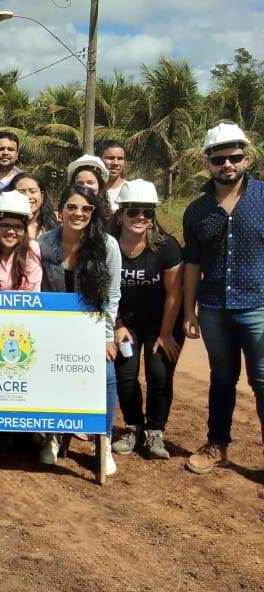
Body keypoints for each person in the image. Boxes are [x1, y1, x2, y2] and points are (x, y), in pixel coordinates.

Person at [181, 122, 264, 474]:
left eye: (234, 157)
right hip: (213, 307)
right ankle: (217, 445)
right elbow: (192, 264)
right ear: (207, 163)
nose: (227, 164)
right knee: (221, 379)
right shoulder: (196, 211)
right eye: (219, 159)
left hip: (258, 306)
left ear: (246, 158)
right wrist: (189, 310)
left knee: (262, 382)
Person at [37, 184, 121, 474]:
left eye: (86, 208)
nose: (78, 213)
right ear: (60, 211)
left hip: (91, 327)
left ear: (94, 213)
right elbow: (38, 288)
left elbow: (112, 295)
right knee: (50, 371)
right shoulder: (44, 243)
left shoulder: (107, 245)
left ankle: (104, 441)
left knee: (107, 375)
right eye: (71, 207)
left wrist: (106, 338)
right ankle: (53, 434)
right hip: (53, 327)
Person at [109, 179, 182, 460]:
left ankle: (155, 431)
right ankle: (133, 427)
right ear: (120, 214)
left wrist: (165, 334)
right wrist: (117, 325)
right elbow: (105, 290)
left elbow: (174, 293)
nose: (140, 217)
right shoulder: (108, 244)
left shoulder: (167, 247)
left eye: (147, 212)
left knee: (159, 374)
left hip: (162, 321)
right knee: (125, 374)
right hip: (125, 321)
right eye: (133, 210)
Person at [8, 172, 57, 239]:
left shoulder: (54, 229)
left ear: (42, 196)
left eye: (33, 191)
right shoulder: (5, 228)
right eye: (21, 192)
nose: (27, 196)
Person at [98, 140, 129, 211]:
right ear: (99, 160)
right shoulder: (92, 190)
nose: (115, 163)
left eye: (120, 159)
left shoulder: (132, 191)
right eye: (110, 158)